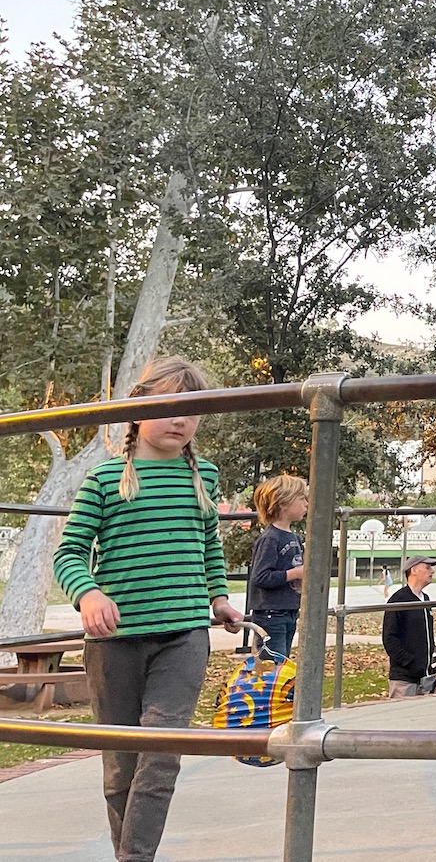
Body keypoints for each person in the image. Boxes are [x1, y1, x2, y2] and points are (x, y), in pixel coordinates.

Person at [52, 356, 244, 862]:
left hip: (183, 636)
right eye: (167, 408)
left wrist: (219, 598)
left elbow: (208, 542)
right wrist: (88, 593)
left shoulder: (203, 474)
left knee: (160, 757)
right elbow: (69, 553)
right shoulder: (105, 478)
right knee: (120, 765)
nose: (180, 420)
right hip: (115, 642)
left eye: (192, 409)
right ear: (137, 412)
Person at [246, 473, 308, 661]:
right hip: (270, 615)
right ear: (283, 503)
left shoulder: (294, 537)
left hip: (288, 611)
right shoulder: (270, 539)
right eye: (301, 499)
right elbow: (261, 577)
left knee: (284, 664)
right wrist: (294, 573)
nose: (306, 504)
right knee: (273, 666)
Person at [383, 554, 436, 697]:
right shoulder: (399, 600)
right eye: (427, 567)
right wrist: (409, 662)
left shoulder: (426, 599)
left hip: (427, 678)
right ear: (413, 570)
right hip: (405, 680)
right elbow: (389, 638)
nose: (432, 571)